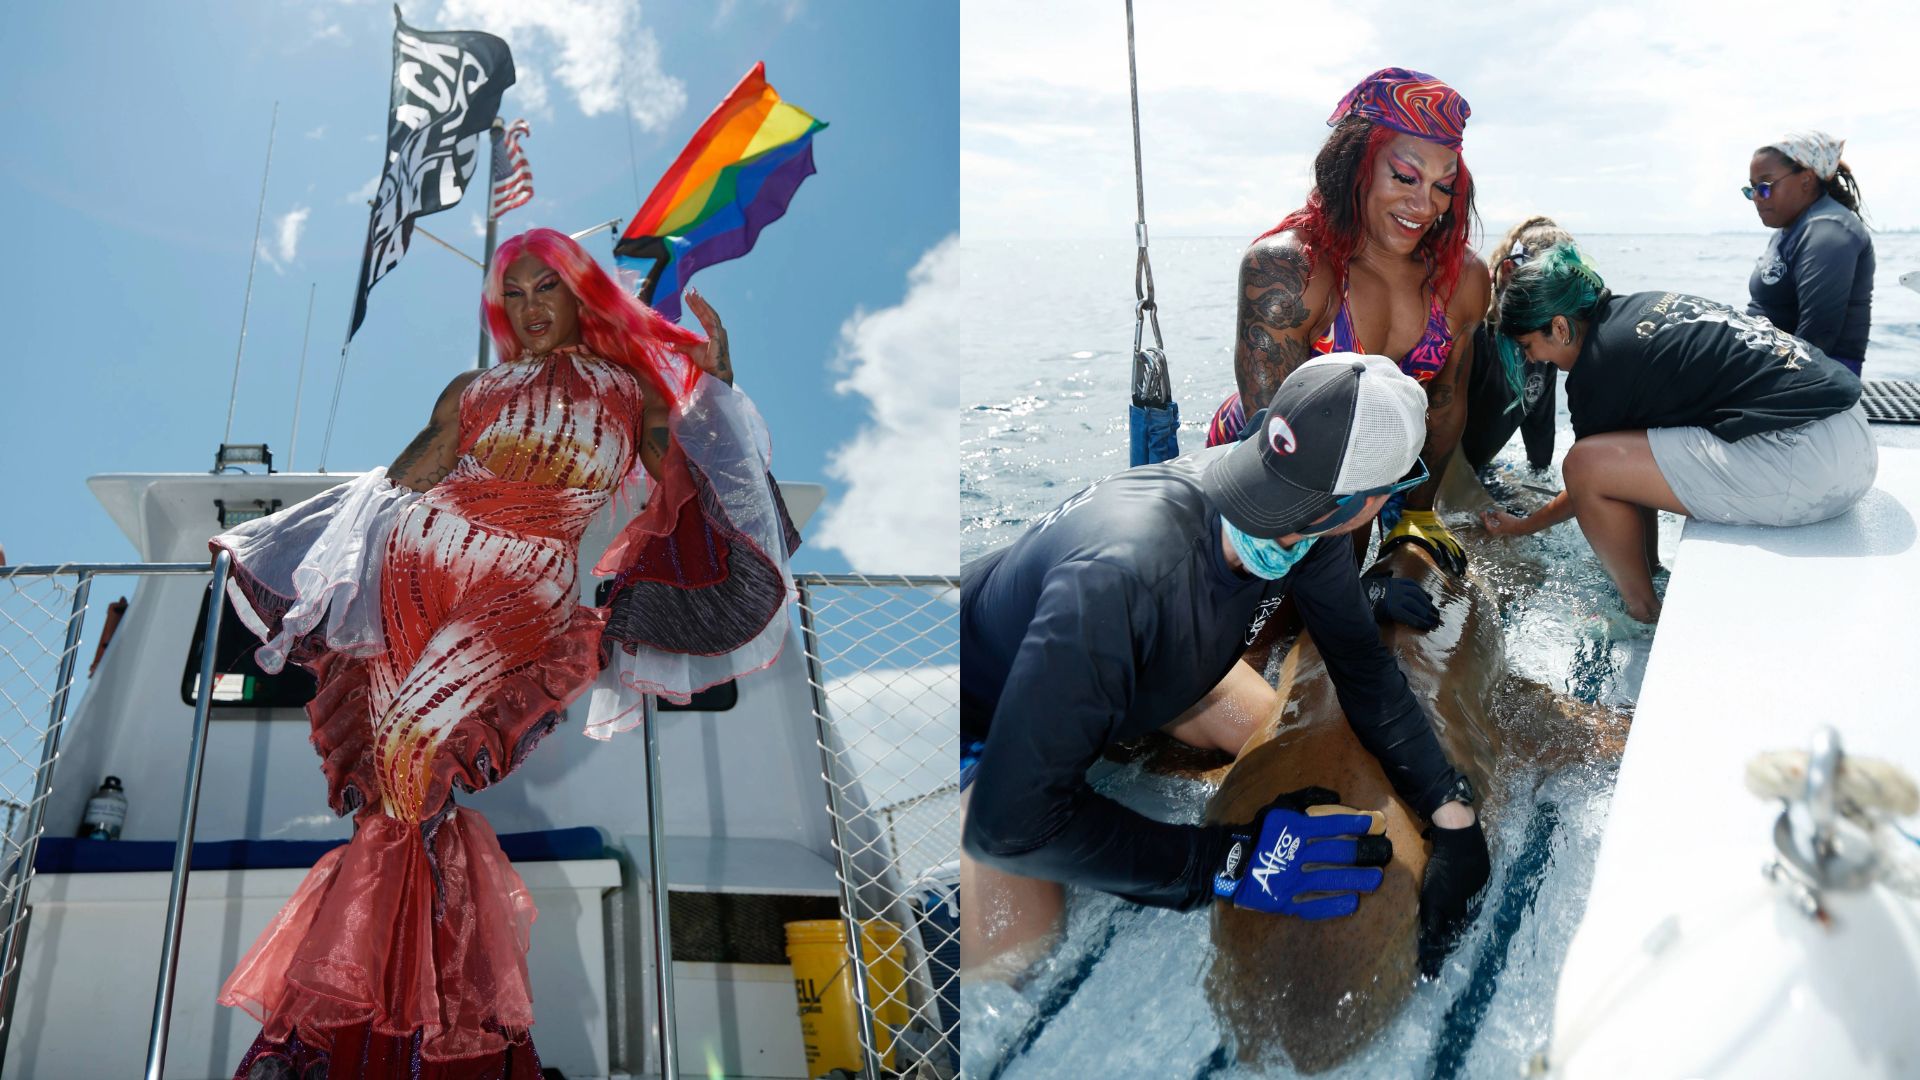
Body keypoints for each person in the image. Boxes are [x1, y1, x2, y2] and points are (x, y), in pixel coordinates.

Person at [207, 228, 799, 1079]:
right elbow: (398, 484)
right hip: (412, 584)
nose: (528, 309)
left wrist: (719, 385)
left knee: (413, 769)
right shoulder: (470, 389)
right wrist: (294, 552)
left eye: (544, 290)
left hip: (522, 588)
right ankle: (402, 1045)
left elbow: (692, 475)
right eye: (513, 293)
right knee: (397, 802)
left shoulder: (631, 391)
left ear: (581, 295)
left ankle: (350, 1044)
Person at [961, 354, 1488, 977]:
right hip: (983, 718)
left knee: (1283, 743)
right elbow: (1012, 825)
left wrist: (1453, 814)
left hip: (1137, 668)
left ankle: (1135, 747)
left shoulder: (1297, 513)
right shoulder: (1119, 582)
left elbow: (1363, 670)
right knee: (1020, 945)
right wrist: (1224, 861)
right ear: (1363, 502)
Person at [1481, 244, 1875, 622]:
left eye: (1528, 345)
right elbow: (1629, 465)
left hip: (1812, 465)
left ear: (1561, 327)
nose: (1531, 358)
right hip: (1851, 433)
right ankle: (1651, 574)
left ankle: (1643, 615)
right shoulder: (1638, 310)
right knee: (1616, 452)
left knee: (1584, 463)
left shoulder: (1599, 367)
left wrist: (1524, 525)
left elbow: (1589, 481)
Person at [1204, 67, 1490, 574]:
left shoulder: (1462, 279)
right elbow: (1278, 451)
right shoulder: (1290, 272)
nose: (1424, 206)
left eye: (1442, 186)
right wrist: (1351, 587)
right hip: (1267, 461)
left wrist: (1416, 515)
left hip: (1374, 466)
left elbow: (1444, 409)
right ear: (1354, 161)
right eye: (1404, 176)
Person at [1746, 131, 1873, 377]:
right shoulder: (1792, 228)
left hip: (1811, 378)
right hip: (1770, 364)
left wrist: (1754, 384)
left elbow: (1818, 335)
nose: (1757, 197)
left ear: (1806, 179)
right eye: (1751, 189)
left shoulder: (1828, 230)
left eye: (1765, 186)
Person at [1458, 216, 1571, 471]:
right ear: (1508, 272)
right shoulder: (1474, 331)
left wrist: (1538, 482)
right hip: (1439, 473)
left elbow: (1540, 428)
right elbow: (1440, 421)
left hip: (1479, 470)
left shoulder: (1548, 342)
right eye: (1543, 285)